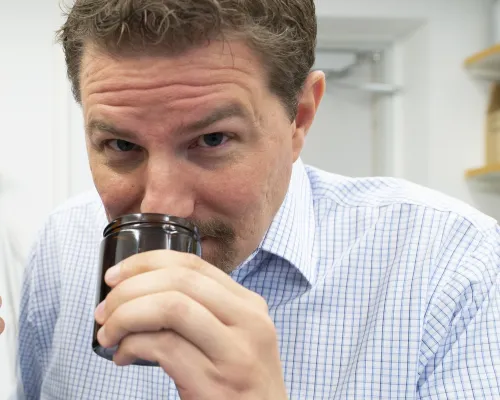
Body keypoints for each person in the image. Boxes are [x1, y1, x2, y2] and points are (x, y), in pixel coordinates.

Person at [16, 0, 500, 399]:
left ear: (301, 117)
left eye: (211, 140)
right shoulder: (62, 243)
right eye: (121, 146)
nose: (164, 206)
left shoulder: (458, 269)